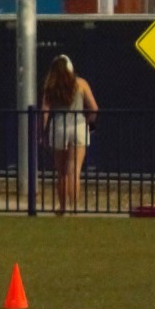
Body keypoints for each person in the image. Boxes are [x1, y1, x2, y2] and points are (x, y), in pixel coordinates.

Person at [40, 54, 98, 216]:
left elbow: (45, 110)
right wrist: (89, 125)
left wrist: (42, 132)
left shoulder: (50, 86)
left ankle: (63, 206)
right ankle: (74, 207)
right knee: (74, 170)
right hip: (79, 125)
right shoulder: (81, 84)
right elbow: (94, 108)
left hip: (59, 125)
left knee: (61, 171)